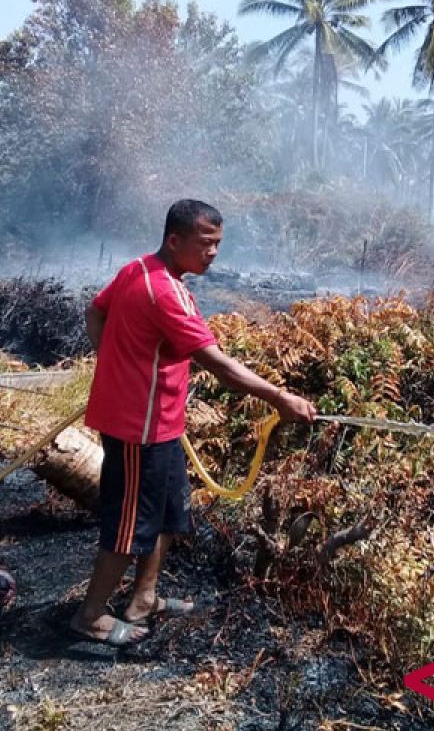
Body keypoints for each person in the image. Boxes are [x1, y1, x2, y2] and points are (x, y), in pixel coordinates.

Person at [69, 199, 317, 646]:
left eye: (218, 244)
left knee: (168, 513)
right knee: (129, 527)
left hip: (160, 424)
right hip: (137, 430)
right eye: (206, 244)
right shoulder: (166, 292)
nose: (214, 253)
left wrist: (113, 361)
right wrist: (282, 399)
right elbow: (219, 366)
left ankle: (143, 600)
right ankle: (89, 617)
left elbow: (95, 312)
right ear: (174, 240)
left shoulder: (137, 269)